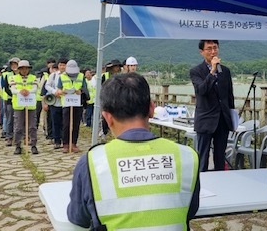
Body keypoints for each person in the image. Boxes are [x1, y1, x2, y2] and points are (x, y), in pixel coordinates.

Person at [67, 72, 200, 230]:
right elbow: (190, 210)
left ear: (107, 117)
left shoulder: (91, 162)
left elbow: (78, 217)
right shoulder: (187, 156)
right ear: (151, 109)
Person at [189, 40, 235, 172]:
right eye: (209, 49)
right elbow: (202, 90)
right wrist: (213, 71)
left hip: (222, 120)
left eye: (215, 48)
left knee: (220, 157)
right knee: (203, 157)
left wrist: (232, 118)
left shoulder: (225, 71)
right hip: (205, 120)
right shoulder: (196, 71)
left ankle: (220, 185)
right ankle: (202, 188)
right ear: (201, 52)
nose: (213, 51)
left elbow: (229, 96)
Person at [57, 60, 89, 153]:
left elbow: (85, 88)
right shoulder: (62, 76)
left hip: (77, 103)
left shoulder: (81, 76)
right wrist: (61, 92)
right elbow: (58, 90)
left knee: (76, 124)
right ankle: (66, 144)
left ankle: (74, 143)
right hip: (66, 103)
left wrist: (81, 91)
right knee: (66, 124)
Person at [10, 60, 39, 155]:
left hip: (30, 105)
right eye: (22, 68)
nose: (24, 70)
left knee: (32, 127)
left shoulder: (34, 78)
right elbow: (13, 90)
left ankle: (33, 145)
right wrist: (21, 91)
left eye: (26, 68)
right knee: (18, 127)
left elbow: (35, 89)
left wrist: (28, 91)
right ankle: (18, 146)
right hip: (18, 106)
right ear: (19, 69)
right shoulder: (13, 78)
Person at [45, 58, 68, 149]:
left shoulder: (70, 76)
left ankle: (65, 140)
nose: (62, 67)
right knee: (55, 122)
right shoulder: (54, 75)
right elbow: (47, 85)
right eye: (61, 65)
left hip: (66, 102)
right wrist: (55, 92)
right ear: (58, 66)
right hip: (55, 102)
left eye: (64, 65)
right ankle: (57, 141)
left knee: (65, 123)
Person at [100, 59, 124, 136]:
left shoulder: (121, 76)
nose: (117, 68)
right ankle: (105, 131)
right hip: (107, 97)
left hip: (117, 98)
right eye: (115, 66)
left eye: (118, 67)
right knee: (106, 115)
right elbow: (102, 86)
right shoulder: (105, 75)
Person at [1, 57, 20, 146]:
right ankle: (9, 137)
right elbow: (5, 87)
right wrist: (14, 94)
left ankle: (21, 136)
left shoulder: (23, 74)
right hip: (10, 99)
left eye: (16, 64)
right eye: (12, 64)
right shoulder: (7, 75)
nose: (14, 66)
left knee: (20, 119)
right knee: (10, 119)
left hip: (21, 99)